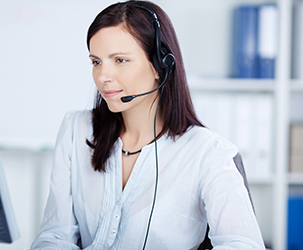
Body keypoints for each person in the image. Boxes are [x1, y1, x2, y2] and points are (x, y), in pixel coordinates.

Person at [31, 1, 265, 249]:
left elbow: (243, 244)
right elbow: (54, 237)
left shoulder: (207, 153)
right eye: (96, 62)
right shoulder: (76, 130)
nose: (103, 76)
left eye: (120, 60)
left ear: (160, 66)